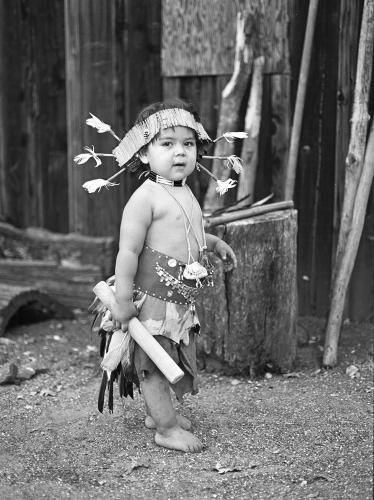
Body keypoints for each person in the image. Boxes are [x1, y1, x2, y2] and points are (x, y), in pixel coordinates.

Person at [87, 99, 238, 453]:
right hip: (153, 300)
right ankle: (166, 428)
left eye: (188, 144)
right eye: (166, 144)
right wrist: (123, 301)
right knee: (155, 364)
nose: (180, 153)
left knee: (175, 355)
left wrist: (212, 243)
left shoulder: (185, 192)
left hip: (180, 300)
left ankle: (160, 414)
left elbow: (189, 232)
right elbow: (127, 253)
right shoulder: (145, 198)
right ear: (143, 154)